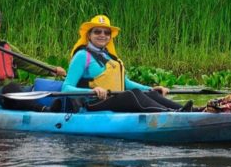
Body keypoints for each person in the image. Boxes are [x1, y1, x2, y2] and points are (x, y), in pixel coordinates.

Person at [61, 14, 194, 113]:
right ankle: (172, 114)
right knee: (130, 95)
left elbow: (126, 83)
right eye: (97, 31)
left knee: (149, 92)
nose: (102, 35)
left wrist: (150, 89)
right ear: (89, 35)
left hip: (113, 101)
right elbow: (66, 88)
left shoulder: (110, 57)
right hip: (93, 105)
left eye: (106, 32)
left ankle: (192, 110)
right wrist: (92, 90)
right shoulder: (82, 56)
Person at [0, 6, 66, 112]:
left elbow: (28, 62)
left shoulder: (5, 47)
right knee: (11, 88)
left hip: (6, 92)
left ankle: (70, 108)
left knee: (39, 87)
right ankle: (44, 110)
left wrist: (53, 70)